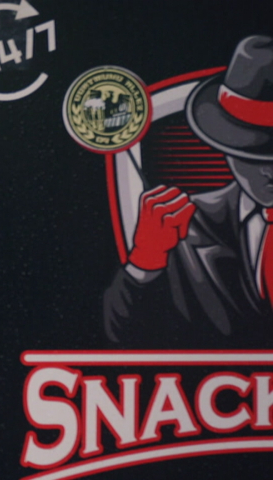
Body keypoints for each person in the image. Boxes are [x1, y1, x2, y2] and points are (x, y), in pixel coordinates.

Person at [104, 35, 273, 347]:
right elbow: (121, 337)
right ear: (226, 146)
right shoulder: (187, 225)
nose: (268, 169)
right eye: (253, 152)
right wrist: (145, 261)